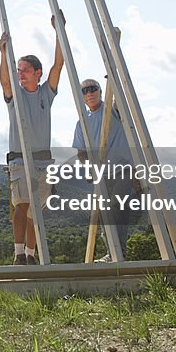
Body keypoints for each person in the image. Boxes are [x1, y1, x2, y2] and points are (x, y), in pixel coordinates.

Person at [0, 13, 64, 265]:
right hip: (18, 159)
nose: (21, 74)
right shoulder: (14, 96)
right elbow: (4, 80)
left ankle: (30, 256)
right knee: (20, 207)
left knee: (35, 212)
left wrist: (59, 31)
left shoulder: (45, 94)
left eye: (26, 70)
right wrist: (2, 54)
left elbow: (58, 65)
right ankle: (18, 255)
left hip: (42, 162)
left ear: (37, 73)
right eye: (19, 70)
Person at [72, 78, 136, 262]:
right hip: (102, 174)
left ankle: (119, 253)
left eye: (93, 89)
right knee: (104, 214)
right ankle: (112, 253)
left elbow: (120, 101)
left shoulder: (112, 111)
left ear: (100, 91)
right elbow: (81, 153)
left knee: (118, 208)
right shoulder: (82, 123)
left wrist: (112, 83)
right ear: (82, 96)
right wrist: (90, 167)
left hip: (123, 169)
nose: (89, 93)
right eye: (85, 90)